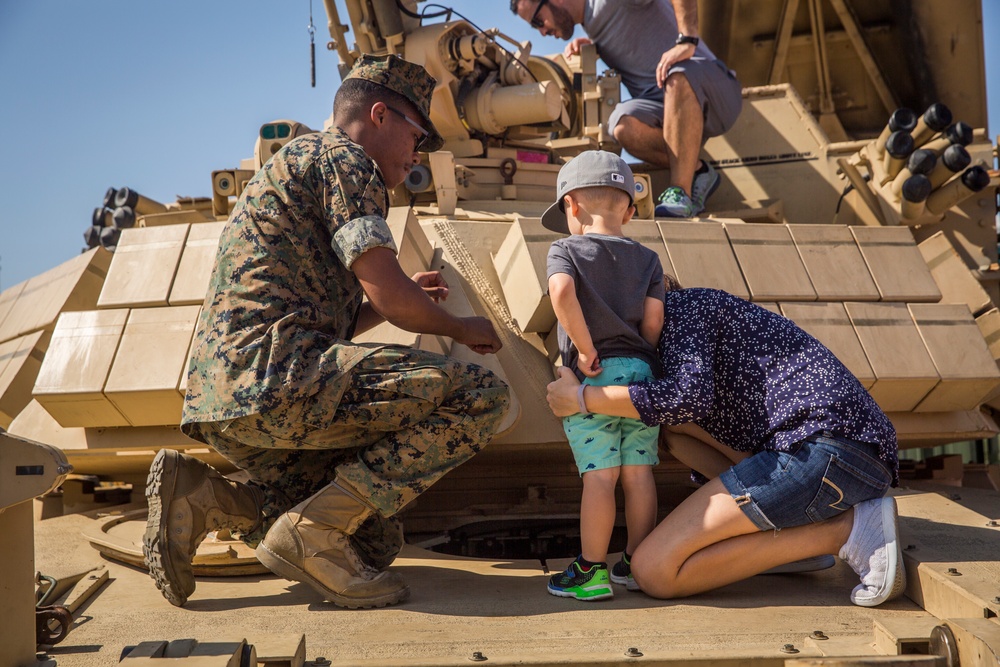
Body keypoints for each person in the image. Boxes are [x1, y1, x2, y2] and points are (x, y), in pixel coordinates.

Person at [143, 54, 511, 610]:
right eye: (418, 136)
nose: (418, 154)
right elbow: (384, 291)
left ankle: (202, 496)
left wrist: (398, 300)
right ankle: (309, 532)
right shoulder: (346, 161)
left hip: (225, 397)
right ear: (381, 115)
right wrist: (461, 326)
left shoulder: (297, 162)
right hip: (279, 380)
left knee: (372, 538)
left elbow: (337, 310)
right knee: (482, 395)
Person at [546, 286, 906, 607]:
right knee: (674, 432)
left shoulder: (683, 311)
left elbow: (687, 397)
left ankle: (841, 531)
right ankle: (791, 537)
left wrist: (583, 398)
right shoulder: (699, 319)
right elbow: (682, 418)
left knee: (654, 569)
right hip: (847, 456)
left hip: (821, 452)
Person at [542, 150, 664, 600]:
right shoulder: (649, 259)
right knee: (638, 475)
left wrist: (588, 350)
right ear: (630, 210)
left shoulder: (565, 248)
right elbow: (653, 323)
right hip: (640, 379)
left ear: (571, 205)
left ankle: (591, 571)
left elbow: (561, 291)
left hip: (592, 380)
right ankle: (635, 562)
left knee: (600, 476)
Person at [508, 0, 743, 218]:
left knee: (677, 76)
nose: (542, 31)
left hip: (714, 92)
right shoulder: (592, 25)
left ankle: (681, 191)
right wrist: (595, 47)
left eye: (538, 21)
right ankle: (699, 172)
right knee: (621, 125)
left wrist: (687, 40)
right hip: (665, 109)